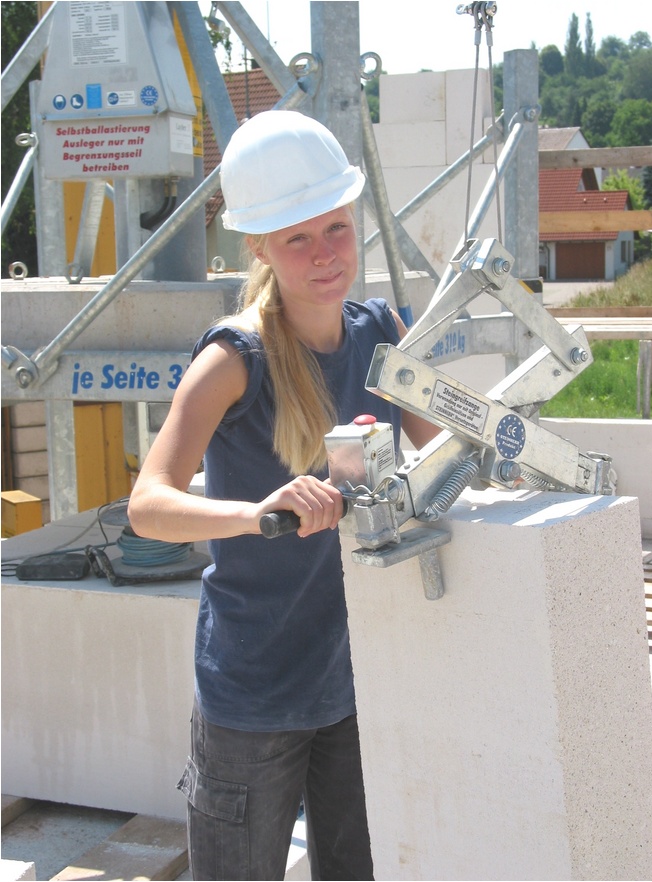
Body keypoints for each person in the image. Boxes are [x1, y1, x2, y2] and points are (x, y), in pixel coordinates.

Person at [128, 110, 439, 881]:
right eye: (297, 238)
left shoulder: (380, 331)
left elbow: (447, 454)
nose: (325, 254)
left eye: (336, 228)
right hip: (252, 696)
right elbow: (148, 505)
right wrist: (257, 515)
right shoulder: (234, 359)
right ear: (259, 246)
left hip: (354, 678)